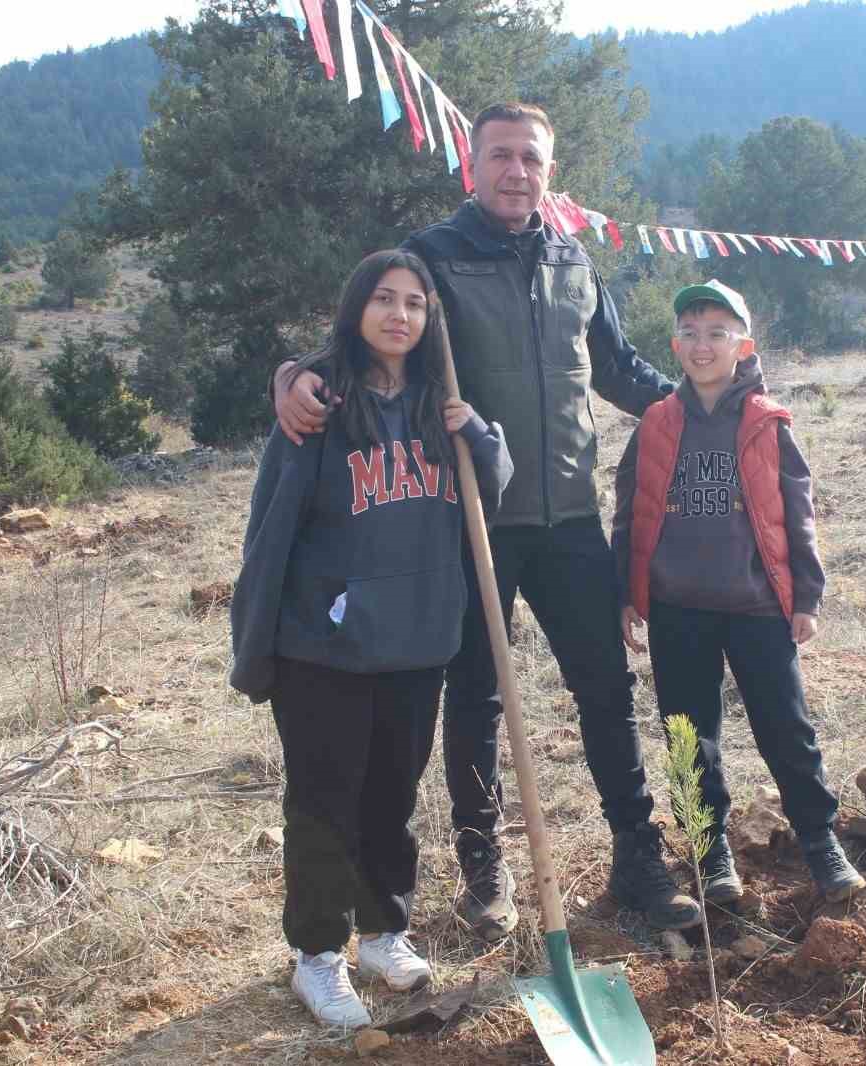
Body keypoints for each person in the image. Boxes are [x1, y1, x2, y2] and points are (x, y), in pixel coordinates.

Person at [272, 103, 703, 939]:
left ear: (550, 171)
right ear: (471, 166)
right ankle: (484, 869)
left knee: (606, 690)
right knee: (473, 696)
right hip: (470, 519)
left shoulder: (574, 260)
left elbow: (618, 368)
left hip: (570, 518)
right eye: (500, 155)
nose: (516, 171)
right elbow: (371, 339)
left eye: (530, 158)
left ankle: (637, 859)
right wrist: (291, 376)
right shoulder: (434, 258)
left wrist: (709, 406)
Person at [231, 250, 513, 1028]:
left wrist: (478, 434)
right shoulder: (318, 402)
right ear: (358, 308)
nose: (400, 314)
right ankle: (317, 956)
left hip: (418, 638)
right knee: (324, 804)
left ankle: (385, 933)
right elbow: (271, 525)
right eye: (385, 299)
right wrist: (259, 638)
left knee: (393, 796)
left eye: (415, 303)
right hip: (325, 645)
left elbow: (493, 491)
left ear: (430, 319)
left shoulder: (442, 402)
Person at [612, 280, 865, 906]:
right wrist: (626, 593)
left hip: (757, 606)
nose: (703, 345)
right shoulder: (656, 423)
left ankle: (819, 841)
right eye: (690, 333)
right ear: (675, 345)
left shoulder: (766, 423)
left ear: (742, 346)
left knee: (786, 727)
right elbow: (630, 512)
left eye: (717, 334)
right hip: (677, 608)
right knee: (687, 735)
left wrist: (806, 597)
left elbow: (797, 513)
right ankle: (710, 851)